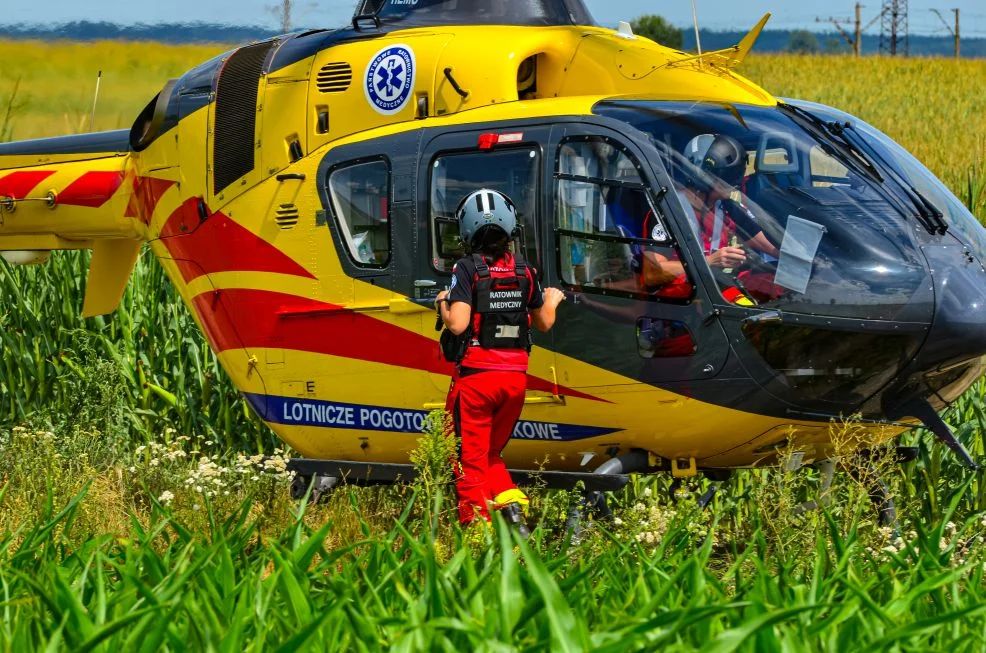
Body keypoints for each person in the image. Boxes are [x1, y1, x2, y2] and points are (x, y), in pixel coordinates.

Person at [434, 189, 565, 534]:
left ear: (465, 231)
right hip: (515, 382)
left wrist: (443, 304)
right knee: (490, 453)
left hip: (478, 380)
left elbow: (459, 323)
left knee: (466, 458)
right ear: (511, 227)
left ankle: (477, 533)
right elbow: (544, 322)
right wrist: (551, 299)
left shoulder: (467, 269)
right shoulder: (526, 271)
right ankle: (512, 510)